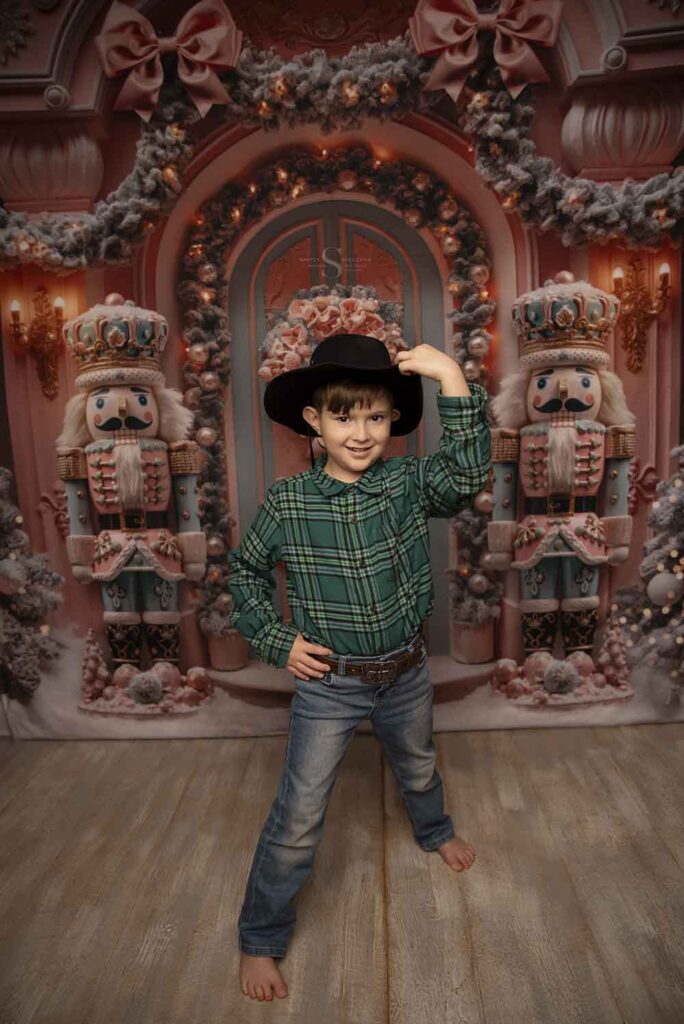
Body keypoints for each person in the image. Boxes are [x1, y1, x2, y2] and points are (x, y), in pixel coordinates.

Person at [228, 332, 491, 1002]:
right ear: (313, 419)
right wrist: (276, 640)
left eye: (376, 416)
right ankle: (260, 939)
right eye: (344, 415)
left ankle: (432, 830)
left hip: (405, 671)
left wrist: (452, 379)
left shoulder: (407, 483)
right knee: (300, 812)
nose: (362, 431)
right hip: (331, 684)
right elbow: (245, 574)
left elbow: (466, 477)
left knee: (420, 759)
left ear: (391, 422)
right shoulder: (290, 503)